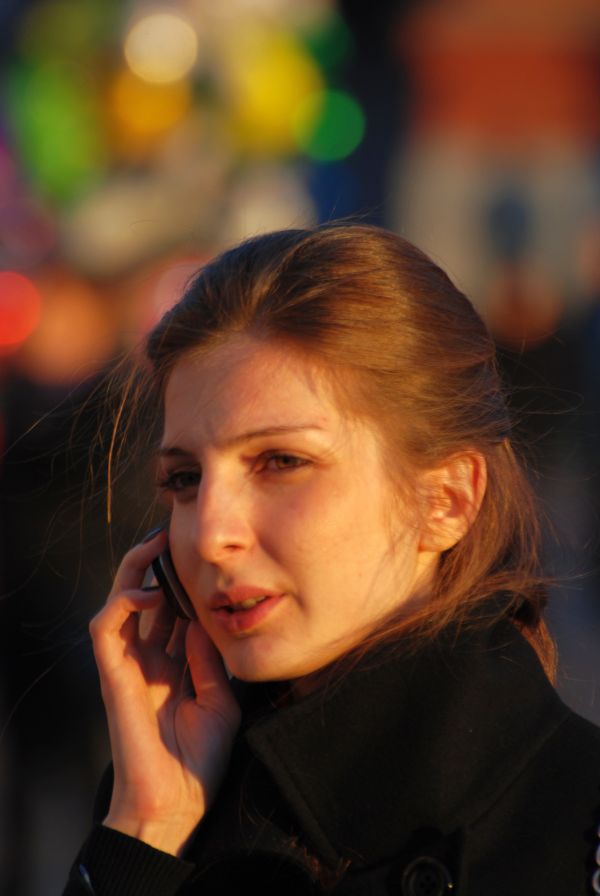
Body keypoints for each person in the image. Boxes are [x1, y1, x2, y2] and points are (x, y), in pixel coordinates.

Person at [63, 225, 600, 896]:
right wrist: (143, 832)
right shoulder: (167, 805)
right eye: (184, 480)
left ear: (446, 500)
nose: (209, 535)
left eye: (282, 462)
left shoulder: (572, 827)